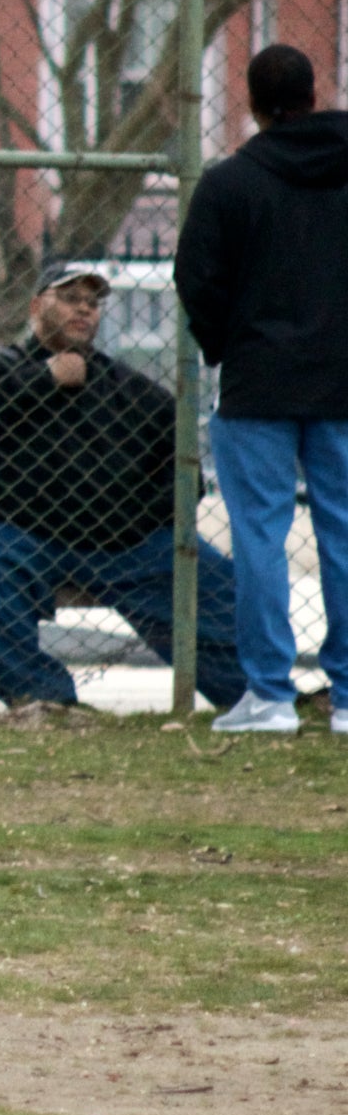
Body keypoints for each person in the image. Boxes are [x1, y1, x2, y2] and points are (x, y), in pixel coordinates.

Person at [0, 265, 244, 713]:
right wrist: (46, 379)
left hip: (118, 542)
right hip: (12, 532)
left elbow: (184, 479)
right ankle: (43, 699)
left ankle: (255, 696)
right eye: (69, 297)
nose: (83, 308)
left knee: (213, 579)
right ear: (36, 306)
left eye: (92, 302)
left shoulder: (136, 393)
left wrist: (130, 523)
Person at [178, 44, 348, 736]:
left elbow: (197, 279)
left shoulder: (230, 183)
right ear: (315, 94)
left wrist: (227, 344)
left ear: (251, 101)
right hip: (343, 377)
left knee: (259, 535)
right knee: (342, 531)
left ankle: (270, 694)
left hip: (256, 380)